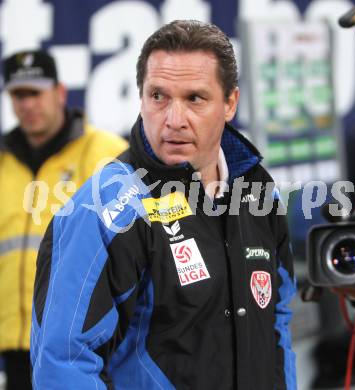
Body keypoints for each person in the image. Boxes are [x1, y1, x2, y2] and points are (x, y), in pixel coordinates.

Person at [31, 21, 297, 389]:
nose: (174, 120)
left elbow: (277, 322)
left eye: (194, 99)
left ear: (230, 103)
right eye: (159, 96)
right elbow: (62, 363)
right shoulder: (104, 209)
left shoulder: (257, 189)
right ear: (140, 97)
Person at [0, 49, 128, 390]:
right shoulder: (3, 162)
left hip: (86, 344)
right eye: (18, 95)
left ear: (59, 92)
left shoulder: (106, 152)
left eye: (35, 93)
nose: (27, 105)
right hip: (15, 346)